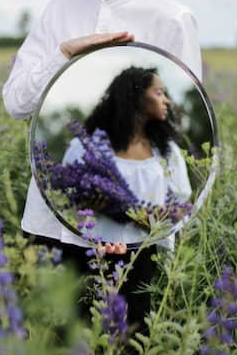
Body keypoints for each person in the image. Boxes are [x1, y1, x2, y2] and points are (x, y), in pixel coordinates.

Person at [2, 0, 202, 330]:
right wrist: (64, 54)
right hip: (53, 225)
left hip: (137, 235)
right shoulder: (60, 11)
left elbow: (182, 132)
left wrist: (150, 230)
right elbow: (16, 104)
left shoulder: (171, 18)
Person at [59, 66, 192, 248]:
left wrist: (148, 215)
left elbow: (182, 209)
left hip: (153, 254)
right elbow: (65, 204)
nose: (167, 101)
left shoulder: (167, 151)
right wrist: (88, 202)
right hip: (96, 254)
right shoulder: (85, 147)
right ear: (136, 97)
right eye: (159, 93)